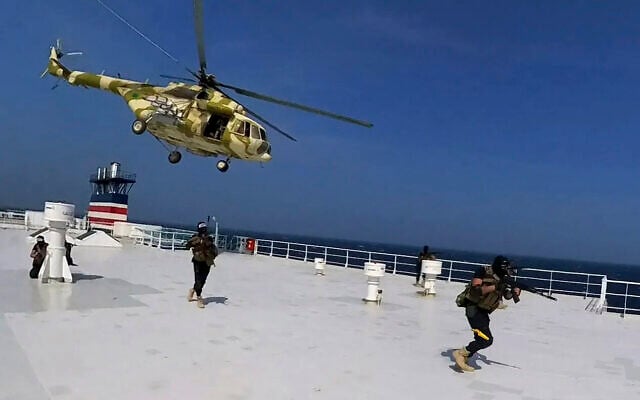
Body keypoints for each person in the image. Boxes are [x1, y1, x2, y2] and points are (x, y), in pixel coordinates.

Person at [453, 255, 521, 372]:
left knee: (480, 337)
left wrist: (516, 291)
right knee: (486, 340)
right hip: (473, 309)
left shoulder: (502, 278)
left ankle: (464, 357)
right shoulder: (482, 271)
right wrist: (495, 286)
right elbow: (476, 290)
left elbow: (507, 296)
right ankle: (460, 353)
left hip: (484, 311)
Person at [185, 222, 219, 308]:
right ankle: (199, 298)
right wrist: (193, 243)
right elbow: (187, 246)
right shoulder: (195, 238)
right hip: (197, 261)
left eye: (205, 229)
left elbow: (213, 249)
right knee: (198, 280)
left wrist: (208, 244)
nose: (204, 231)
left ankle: (193, 290)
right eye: (202, 229)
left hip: (207, 262)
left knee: (203, 280)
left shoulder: (209, 238)